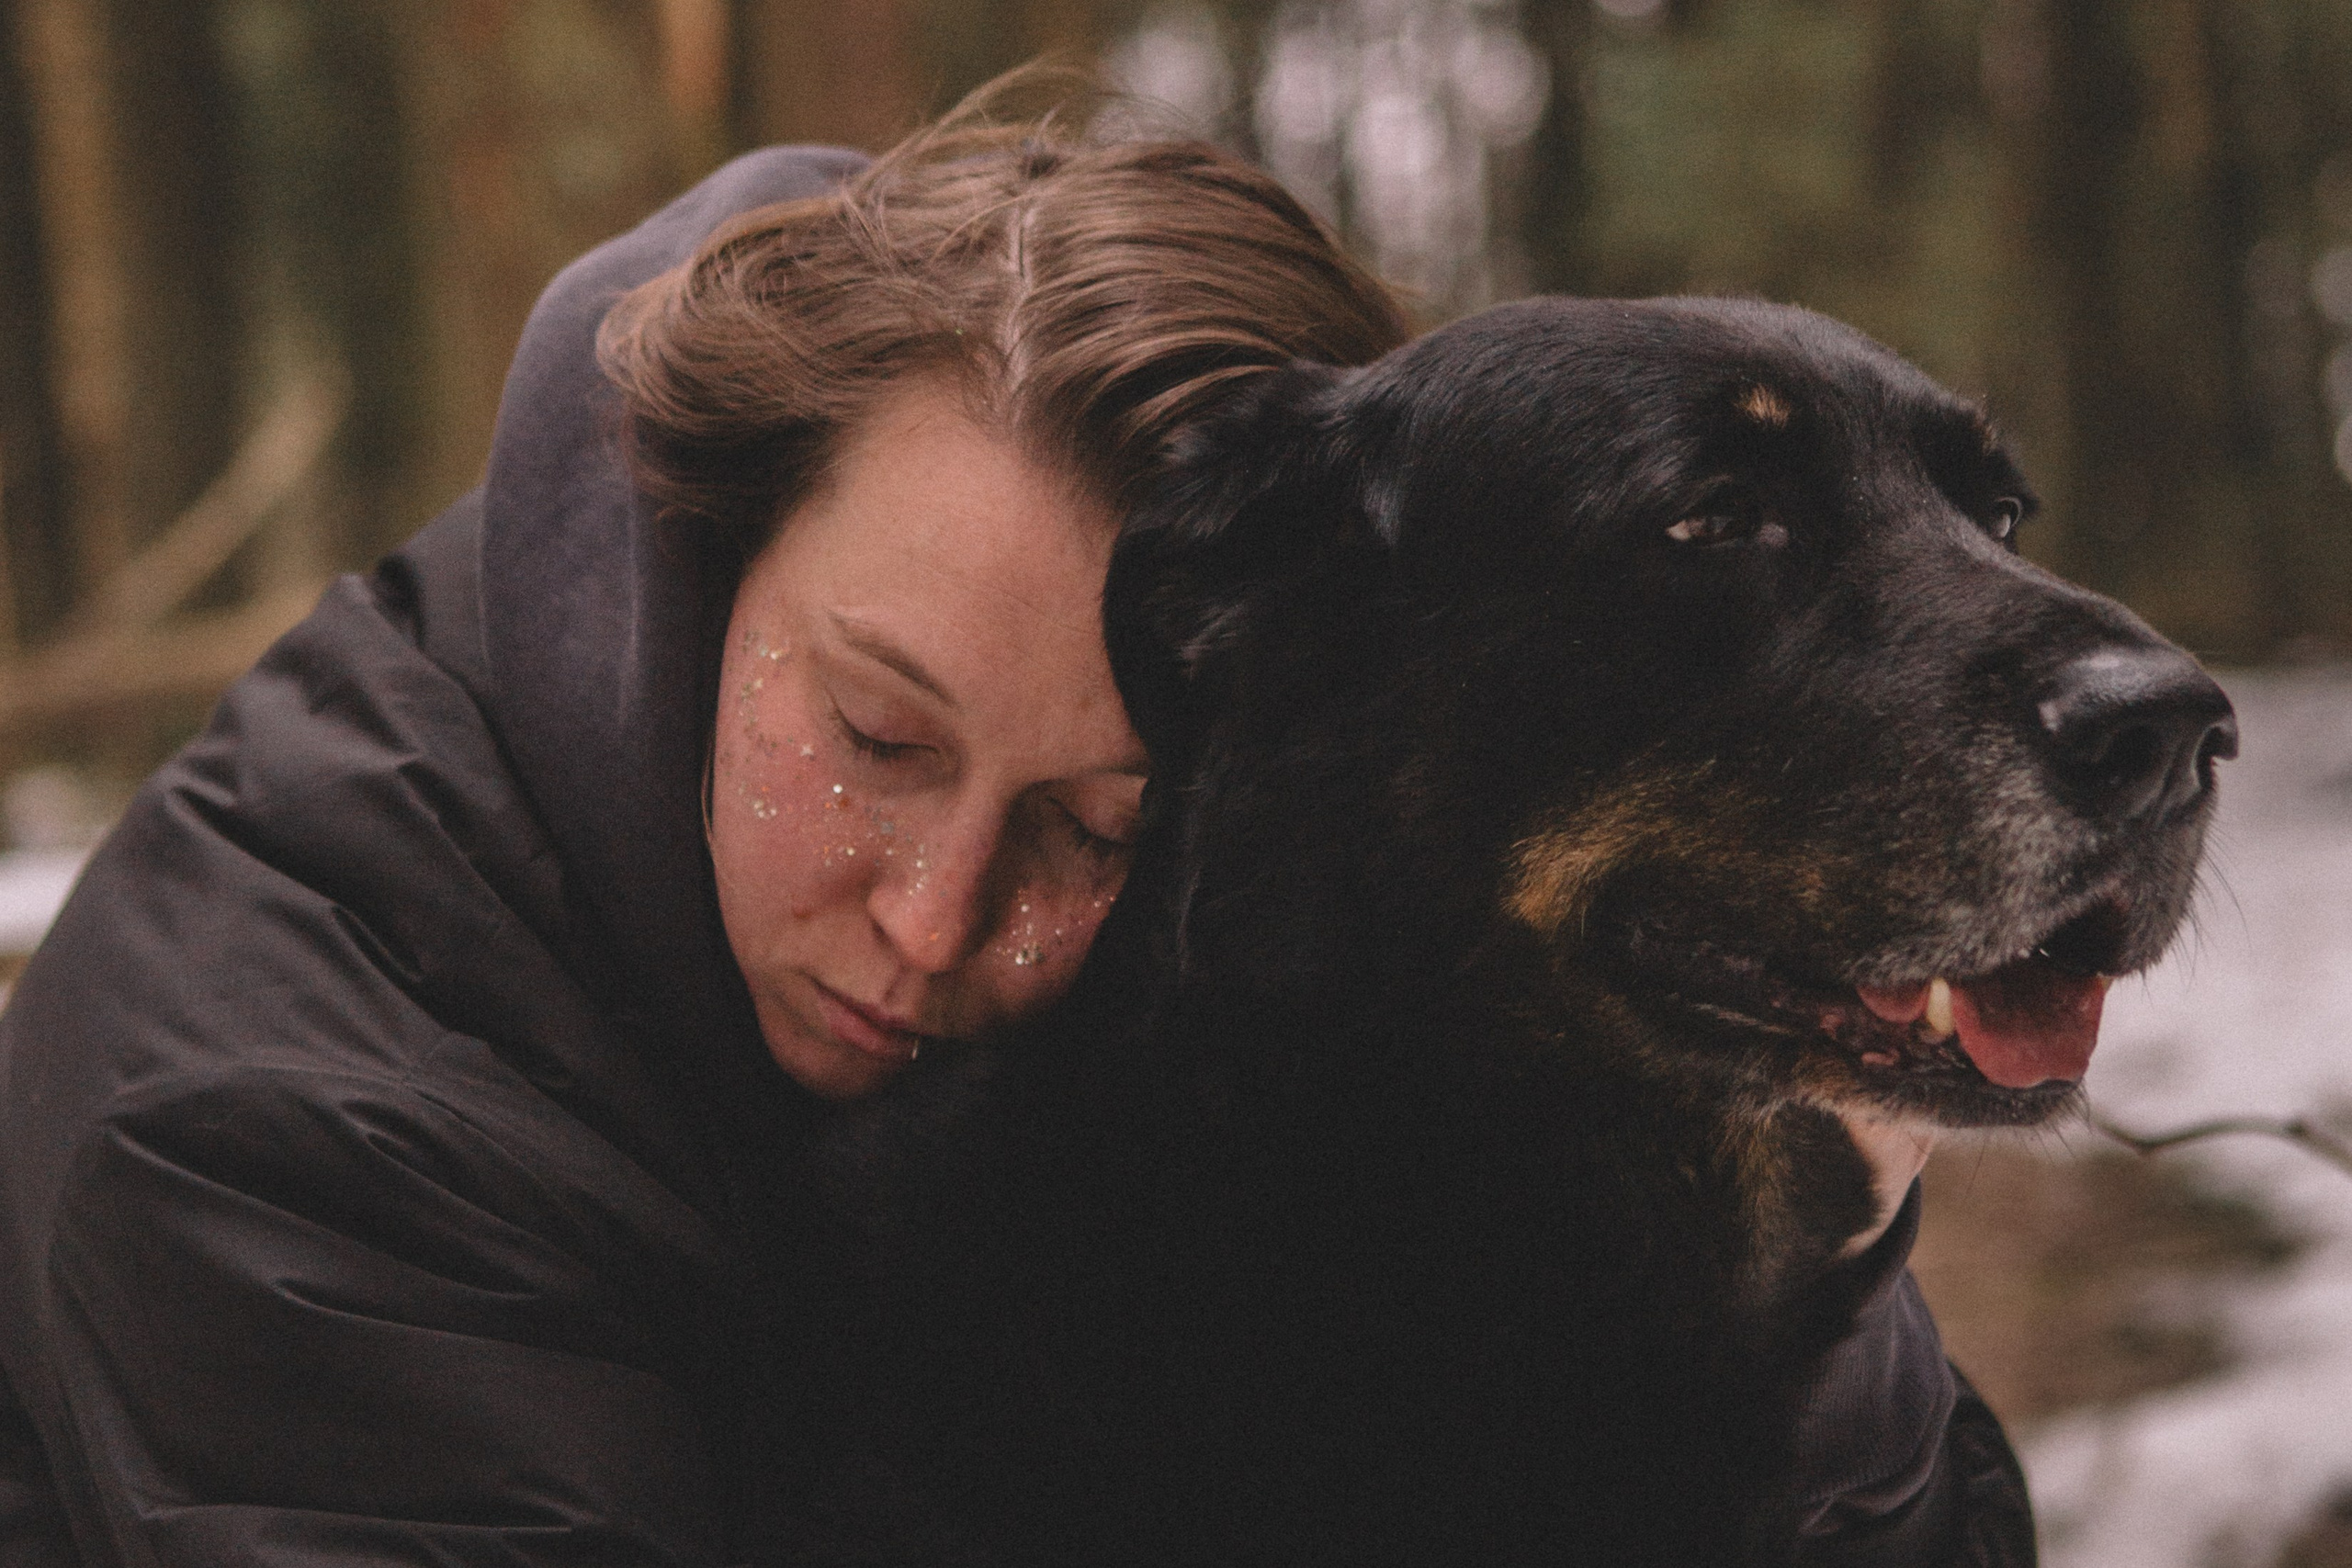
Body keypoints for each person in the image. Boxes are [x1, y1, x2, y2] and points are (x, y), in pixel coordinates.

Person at [0, 79, 2029, 1567]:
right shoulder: (284, 1122)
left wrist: (1786, 1256)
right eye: (875, 736)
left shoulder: (1237, 943)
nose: (942, 910)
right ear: (694, 554)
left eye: (1094, 823)